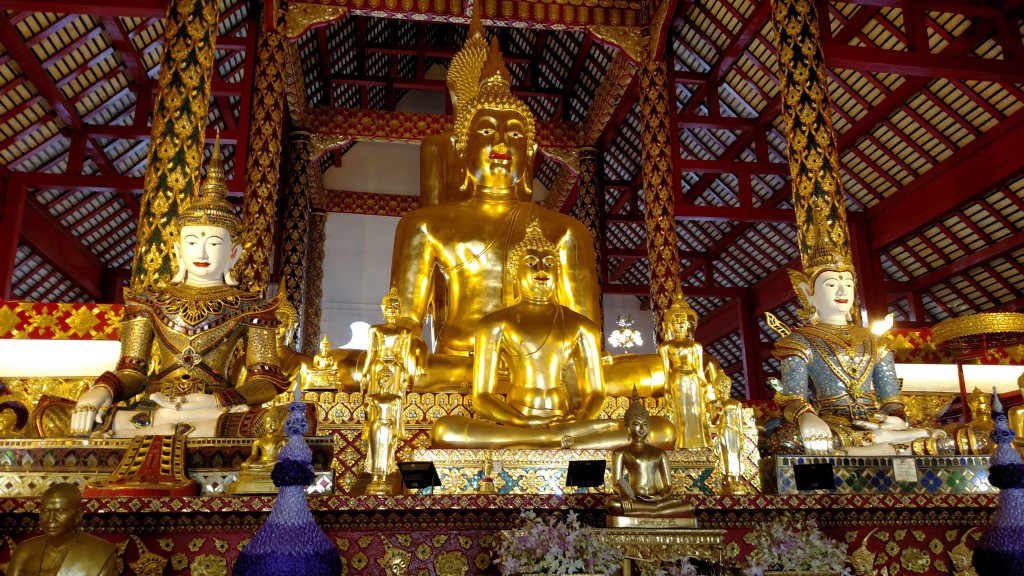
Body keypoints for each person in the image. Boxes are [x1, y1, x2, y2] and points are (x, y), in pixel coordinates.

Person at [69, 137, 288, 438]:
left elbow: (267, 380)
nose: (201, 253)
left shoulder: (252, 307)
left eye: (213, 244)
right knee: (65, 416)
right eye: (192, 243)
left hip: (214, 411)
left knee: (282, 422)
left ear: (233, 254)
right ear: (177, 250)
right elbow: (132, 371)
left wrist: (216, 399)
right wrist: (103, 389)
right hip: (155, 407)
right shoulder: (147, 302)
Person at [431, 220, 674, 449]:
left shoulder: (581, 325)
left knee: (662, 429)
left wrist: (579, 420)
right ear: (514, 273)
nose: (541, 269)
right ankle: (554, 440)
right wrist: (525, 422)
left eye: (549, 263)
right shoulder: (494, 323)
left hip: (568, 421)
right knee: (444, 430)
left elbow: (596, 392)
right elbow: (482, 397)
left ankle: (550, 439)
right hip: (517, 422)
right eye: (531, 263)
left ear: (559, 273)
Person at [770, 222, 952, 455]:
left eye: (847, 284)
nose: (841, 291)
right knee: (789, 441)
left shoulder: (876, 342)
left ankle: (872, 447)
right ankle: (888, 448)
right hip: (832, 426)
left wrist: (897, 419)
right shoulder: (799, 341)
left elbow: (891, 399)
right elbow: (792, 397)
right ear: (808, 293)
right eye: (831, 284)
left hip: (876, 424)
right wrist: (806, 417)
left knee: (945, 439)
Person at [360, 288, 423, 489]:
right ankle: (371, 433)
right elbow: (370, 354)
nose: (393, 309)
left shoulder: (405, 331)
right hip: (378, 365)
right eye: (390, 305)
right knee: (375, 403)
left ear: (401, 309)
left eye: (397, 306)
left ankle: (393, 440)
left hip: (395, 367)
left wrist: (406, 377)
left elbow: (404, 357)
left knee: (393, 399)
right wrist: (364, 373)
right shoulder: (374, 329)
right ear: (383, 308)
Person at [605, 388, 695, 520]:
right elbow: (616, 483)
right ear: (627, 427)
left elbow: (668, 485)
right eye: (636, 424)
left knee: (689, 506)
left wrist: (661, 496)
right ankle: (656, 513)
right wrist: (623, 494)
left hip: (658, 499)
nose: (641, 429)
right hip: (635, 499)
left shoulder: (659, 453)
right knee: (612, 504)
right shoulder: (620, 452)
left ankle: (649, 512)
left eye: (645, 424)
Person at [7, 483, 117, 576]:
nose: (51, 519)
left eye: (60, 511)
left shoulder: (101, 554)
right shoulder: (24, 550)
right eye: (45, 511)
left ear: (78, 514)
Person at [659, 297, 711, 449]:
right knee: (681, 412)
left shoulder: (696, 346)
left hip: (694, 379)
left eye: (683, 321)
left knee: (696, 410)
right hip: (677, 378)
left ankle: (700, 442)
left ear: (689, 324)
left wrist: (705, 385)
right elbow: (666, 370)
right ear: (671, 325)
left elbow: (700, 369)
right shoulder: (666, 346)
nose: (681, 324)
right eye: (677, 321)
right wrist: (666, 389)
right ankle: (682, 442)